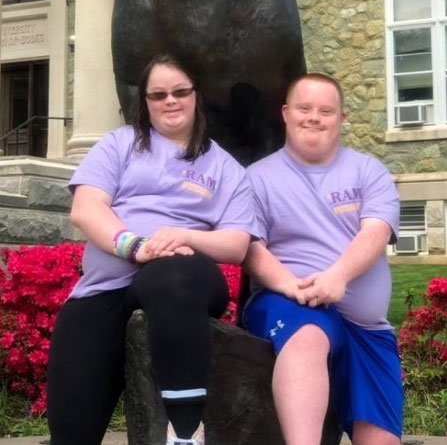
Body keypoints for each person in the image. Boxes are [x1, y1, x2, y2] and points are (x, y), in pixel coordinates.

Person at [47, 54, 256, 445]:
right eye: (158, 94)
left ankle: (186, 432)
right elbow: (86, 208)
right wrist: (135, 246)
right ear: (145, 101)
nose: (170, 101)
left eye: (180, 92)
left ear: (197, 95)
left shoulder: (226, 168)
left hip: (185, 278)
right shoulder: (119, 143)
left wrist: (183, 237)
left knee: (171, 275)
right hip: (107, 285)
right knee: (71, 424)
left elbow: (236, 244)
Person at [242, 73, 403, 445]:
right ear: (285, 113)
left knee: (380, 440)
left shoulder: (369, 171)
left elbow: (376, 231)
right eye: (304, 108)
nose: (314, 117)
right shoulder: (256, 178)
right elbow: (250, 246)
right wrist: (288, 286)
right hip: (289, 303)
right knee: (309, 337)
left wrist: (338, 277)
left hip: (367, 328)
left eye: (326, 110)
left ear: (342, 118)